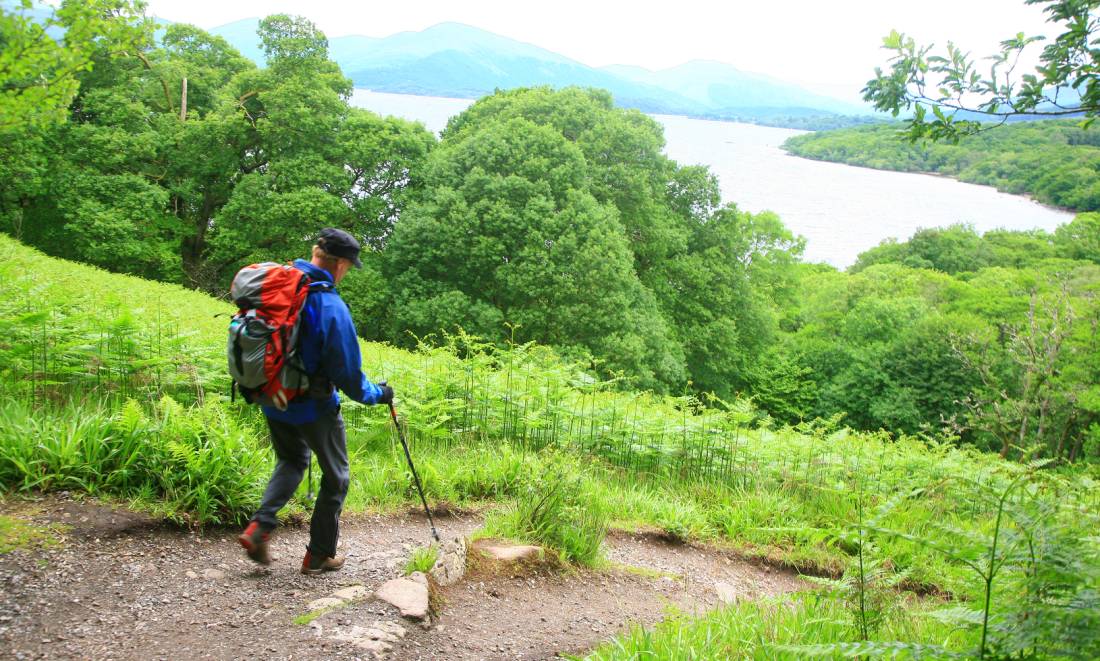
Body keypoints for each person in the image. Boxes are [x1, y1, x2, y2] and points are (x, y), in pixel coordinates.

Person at [237, 228, 394, 575]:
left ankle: (259, 528)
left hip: (272, 395)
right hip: (314, 406)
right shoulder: (329, 306)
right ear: (338, 264)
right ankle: (320, 554)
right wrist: (378, 394)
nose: (348, 271)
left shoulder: (279, 284)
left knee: (292, 460)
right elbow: (349, 376)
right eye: (349, 266)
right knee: (337, 477)